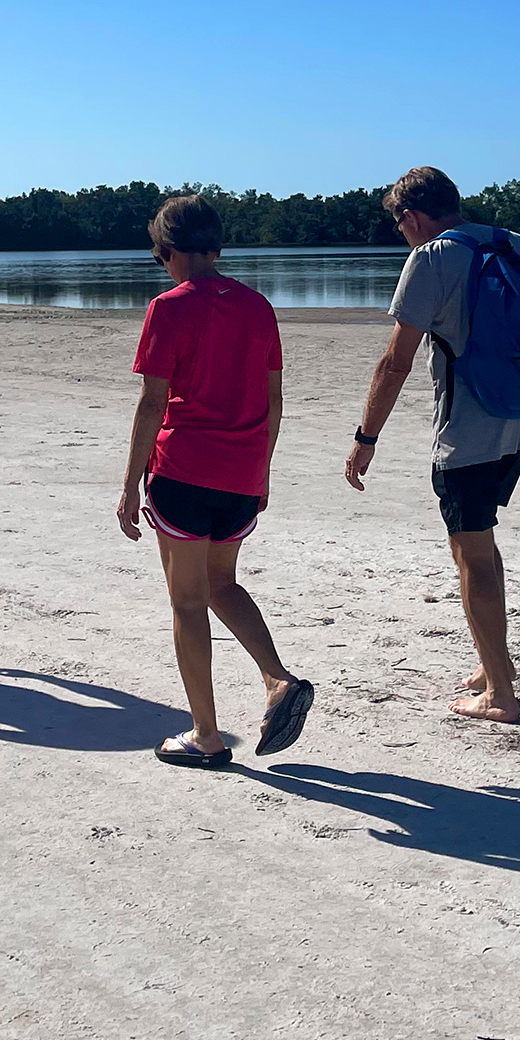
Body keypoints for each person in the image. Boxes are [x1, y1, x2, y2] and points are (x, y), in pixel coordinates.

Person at [343, 167, 520, 724]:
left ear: (411, 215)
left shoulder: (433, 256)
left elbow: (395, 361)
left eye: (399, 224)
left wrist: (366, 437)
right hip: (519, 419)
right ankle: (495, 668)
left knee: (471, 554)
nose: (402, 234)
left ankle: (500, 697)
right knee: (482, 545)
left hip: (468, 429)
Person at [113, 194, 312, 767]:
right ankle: (276, 679)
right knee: (222, 584)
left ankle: (206, 734)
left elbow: (152, 404)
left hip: (184, 471)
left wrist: (130, 485)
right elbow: (274, 399)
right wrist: (264, 468)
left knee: (188, 600)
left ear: (168, 250)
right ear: (216, 245)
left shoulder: (168, 307)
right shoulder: (258, 307)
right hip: (242, 472)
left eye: (162, 258)